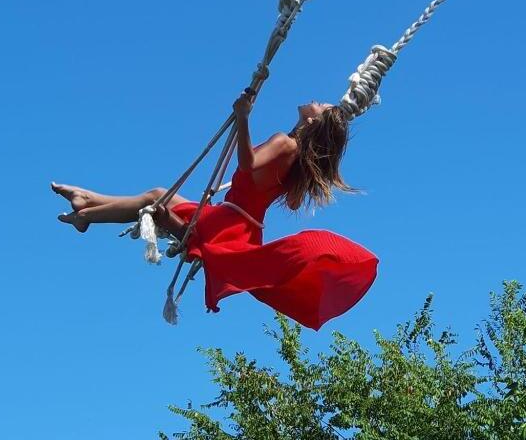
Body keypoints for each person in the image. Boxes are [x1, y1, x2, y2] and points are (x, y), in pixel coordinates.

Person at [52, 93, 378, 330]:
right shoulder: (295, 161)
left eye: (322, 107)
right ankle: (85, 206)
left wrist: (243, 118)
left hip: (226, 223)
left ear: (312, 121)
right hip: (239, 225)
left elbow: (247, 163)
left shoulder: (285, 143)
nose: (318, 100)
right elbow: (287, 198)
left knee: (157, 201)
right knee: (156, 197)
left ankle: (86, 211)